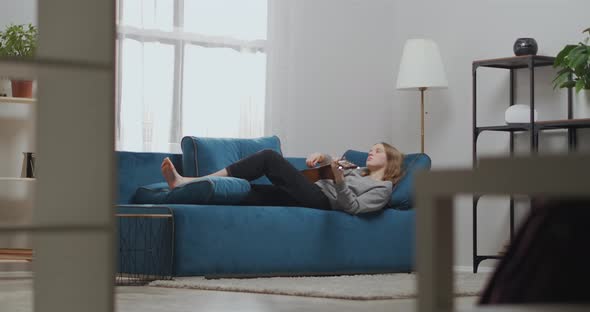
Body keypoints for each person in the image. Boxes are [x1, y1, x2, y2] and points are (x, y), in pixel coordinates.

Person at [161, 143, 403, 215]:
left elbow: (354, 207)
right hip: (310, 189)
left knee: (268, 157)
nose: (371, 151)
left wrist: (339, 180)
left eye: (378, 150)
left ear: (391, 161)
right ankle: (191, 189)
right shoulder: (358, 171)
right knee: (248, 193)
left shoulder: (383, 189)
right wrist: (323, 156)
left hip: (322, 200)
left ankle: (189, 181)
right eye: (371, 148)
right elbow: (333, 167)